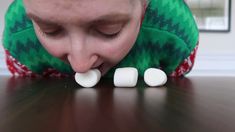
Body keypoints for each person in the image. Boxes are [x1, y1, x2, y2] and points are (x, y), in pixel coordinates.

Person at [2, 0, 199, 78]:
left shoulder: (177, 34)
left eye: (109, 30)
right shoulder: (17, 38)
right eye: (50, 30)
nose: (80, 65)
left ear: (144, 7)